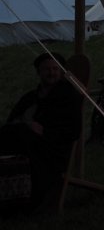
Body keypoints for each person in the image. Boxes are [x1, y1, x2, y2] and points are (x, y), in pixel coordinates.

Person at [0, 52, 82, 208]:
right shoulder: (30, 97)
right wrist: (25, 125)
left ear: (61, 72)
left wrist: (43, 132)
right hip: (26, 142)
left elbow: (72, 130)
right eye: (46, 69)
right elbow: (11, 121)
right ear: (39, 72)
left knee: (20, 134)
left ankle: (25, 200)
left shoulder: (68, 97)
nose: (51, 73)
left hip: (52, 148)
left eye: (55, 69)